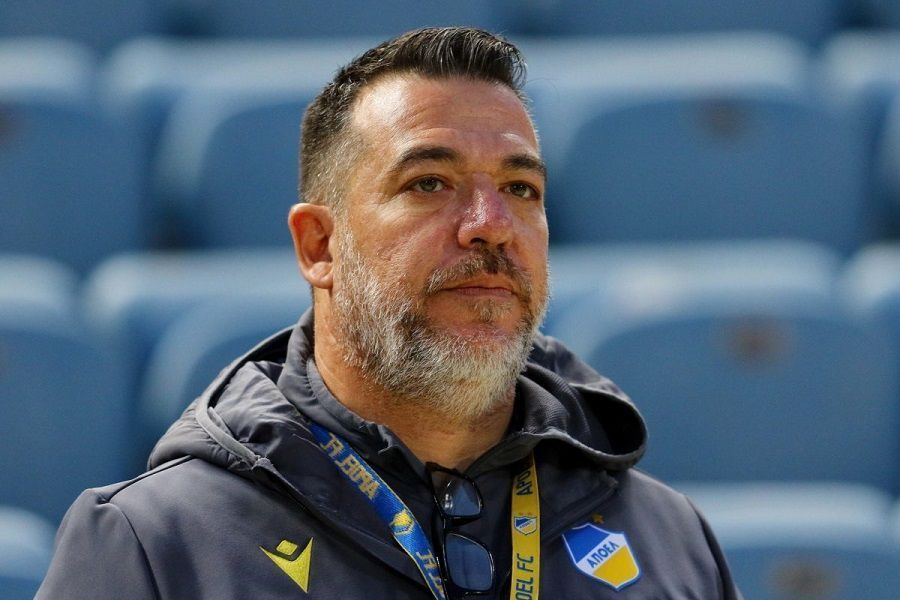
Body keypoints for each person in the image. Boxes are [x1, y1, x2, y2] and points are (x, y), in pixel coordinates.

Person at [38, 27, 742, 599]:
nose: (491, 225)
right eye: (429, 182)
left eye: (521, 189)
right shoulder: (156, 542)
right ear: (320, 246)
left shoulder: (670, 538)